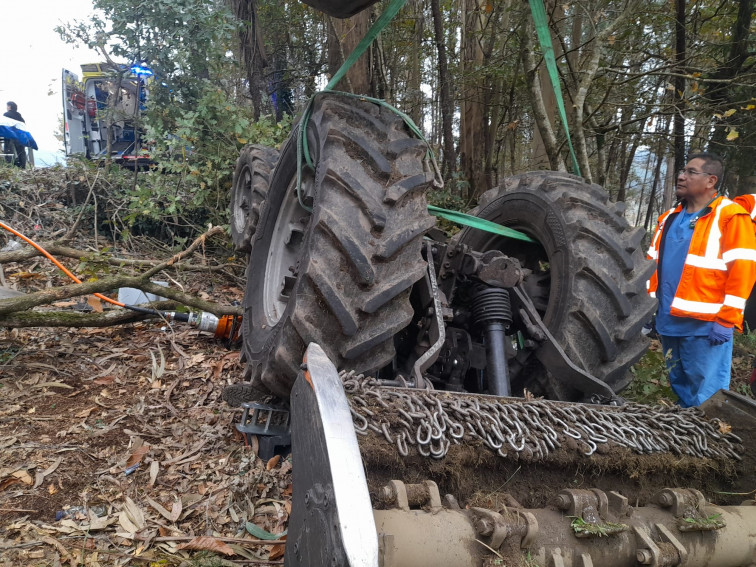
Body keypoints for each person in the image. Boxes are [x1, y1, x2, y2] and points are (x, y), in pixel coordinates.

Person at [647, 152, 756, 407]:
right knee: (681, 386)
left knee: (709, 396)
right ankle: (687, 438)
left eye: (690, 172)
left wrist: (727, 320)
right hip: (668, 320)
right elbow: (652, 267)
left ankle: (712, 443)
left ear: (711, 181)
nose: (681, 176)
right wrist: (648, 311)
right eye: (682, 171)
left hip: (706, 327)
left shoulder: (730, 216)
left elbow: (743, 271)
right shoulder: (669, 218)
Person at [3, 101, 27, 168]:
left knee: (8, 150)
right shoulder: (19, 116)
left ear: (10, 106)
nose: (6, 107)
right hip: (20, 135)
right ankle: (23, 167)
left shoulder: (6, 114)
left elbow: (5, 125)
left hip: (10, 135)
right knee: (21, 151)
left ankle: (8, 166)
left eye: (7, 106)